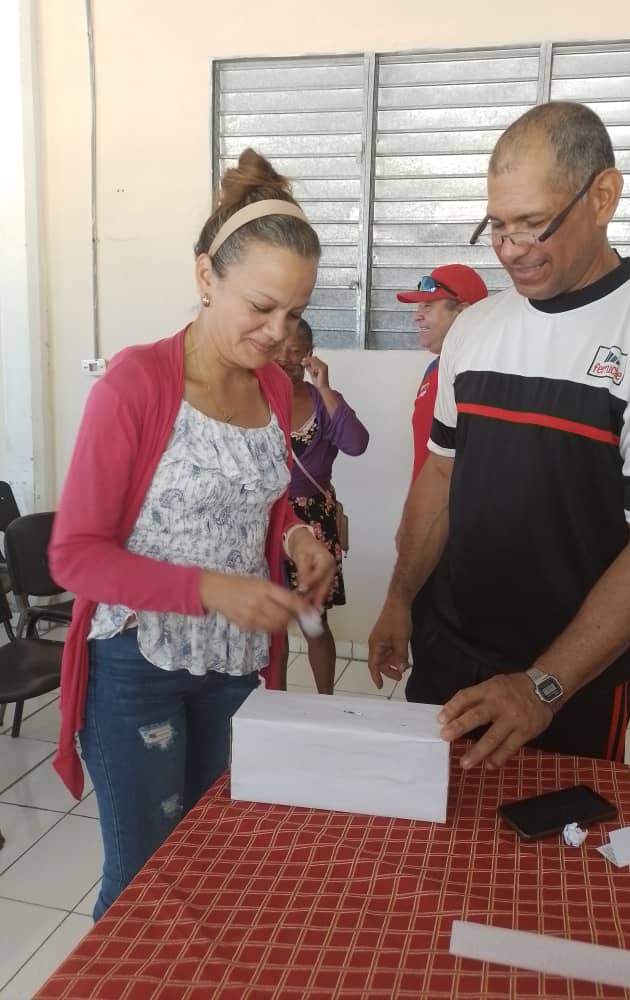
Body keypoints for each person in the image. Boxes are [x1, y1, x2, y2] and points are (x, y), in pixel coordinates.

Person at [369, 101, 630, 772]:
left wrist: (544, 685)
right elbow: (440, 476)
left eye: (534, 224)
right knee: (429, 849)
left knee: (551, 865)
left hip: (570, 682)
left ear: (603, 197)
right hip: (450, 651)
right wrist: (398, 598)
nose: (510, 250)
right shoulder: (474, 331)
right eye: (497, 226)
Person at [48, 148, 336, 920]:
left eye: (294, 313)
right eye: (261, 307)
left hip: (235, 666)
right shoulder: (136, 385)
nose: (279, 333)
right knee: (146, 882)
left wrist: (296, 540)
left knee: (215, 861)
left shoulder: (273, 386)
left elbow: (254, 503)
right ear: (207, 277)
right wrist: (208, 589)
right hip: (141, 662)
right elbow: (74, 555)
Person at [277, 318, 369, 694]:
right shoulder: (253, 397)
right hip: (268, 520)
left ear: (309, 356)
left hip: (314, 522)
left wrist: (325, 388)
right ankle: (275, 703)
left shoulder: (321, 400)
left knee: (314, 618)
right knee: (272, 623)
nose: (285, 357)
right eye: (278, 347)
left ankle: (325, 701)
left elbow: (357, 443)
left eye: (295, 350)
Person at [396, 265, 488, 485]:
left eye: (427, 306)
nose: (417, 317)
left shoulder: (481, 378)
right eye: (419, 306)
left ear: (463, 312)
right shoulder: (436, 367)